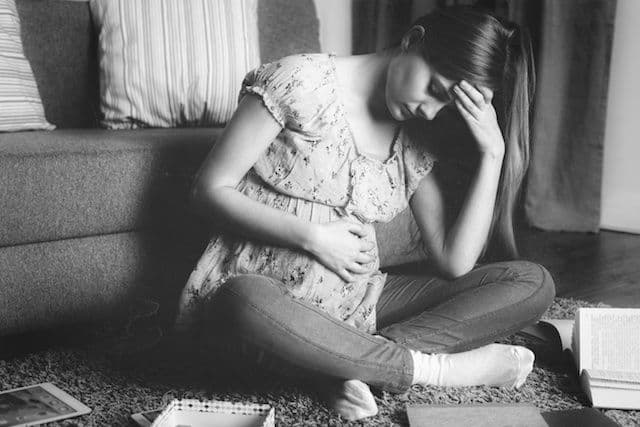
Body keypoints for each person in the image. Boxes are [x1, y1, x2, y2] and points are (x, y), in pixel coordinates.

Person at [175, 6, 555, 421]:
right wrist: (315, 238)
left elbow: (454, 261)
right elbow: (208, 190)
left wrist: (493, 153)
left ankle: (347, 361)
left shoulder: (414, 137)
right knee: (240, 300)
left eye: (446, 105)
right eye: (434, 88)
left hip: (360, 308)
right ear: (413, 39)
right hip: (267, 304)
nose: (430, 110)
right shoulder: (299, 82)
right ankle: (429, 369)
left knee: (531, 283)